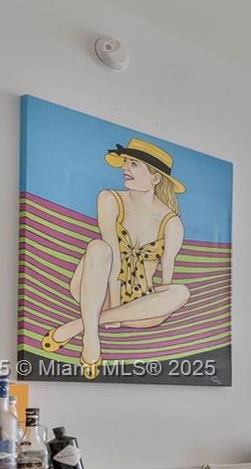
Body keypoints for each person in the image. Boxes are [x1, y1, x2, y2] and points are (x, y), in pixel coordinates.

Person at [41, 138, 191, 377]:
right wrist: (114, 300)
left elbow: (167, 280)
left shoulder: (171, 223)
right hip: (95, 289)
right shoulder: (110, 199)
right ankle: (91, 337)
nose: (125, 168)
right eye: (126, 163)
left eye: (134, 165)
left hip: (137, 307)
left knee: (181, 292)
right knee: (99, 247)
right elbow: (112, 253)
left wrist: (145, 306)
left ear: (156, 178)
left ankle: (79, 325)